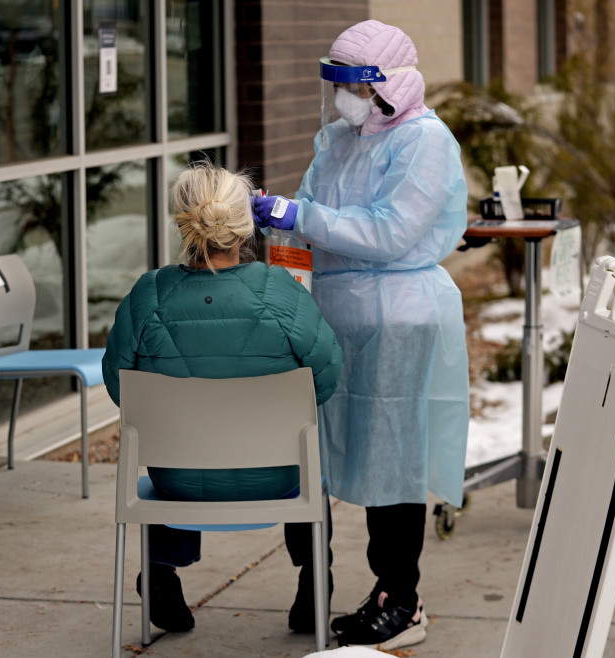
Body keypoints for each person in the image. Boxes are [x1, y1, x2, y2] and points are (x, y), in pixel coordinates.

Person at [251, 19, 470, 651]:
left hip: (399, 317)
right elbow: (313, 224)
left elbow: (388, 233)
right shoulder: (341, 140)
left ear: (388, 86)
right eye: (335, 82)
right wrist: (283, 238)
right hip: (335, 314)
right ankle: (330, 583)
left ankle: (401, 598)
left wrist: (303, 216)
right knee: (316, 452)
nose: (342, 95)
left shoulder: (425, 141)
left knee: (390, 461)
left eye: (353, 83)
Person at [102, 162, 342, 635]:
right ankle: (315, 578)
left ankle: (160, 572)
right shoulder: (280, 292)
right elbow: (326, 377)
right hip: (277, 477)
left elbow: (119, 386)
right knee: (310, 457)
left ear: (183, 224)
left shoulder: (148, 297)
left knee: (170, 442)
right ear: (244, 226)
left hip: (179, 480)